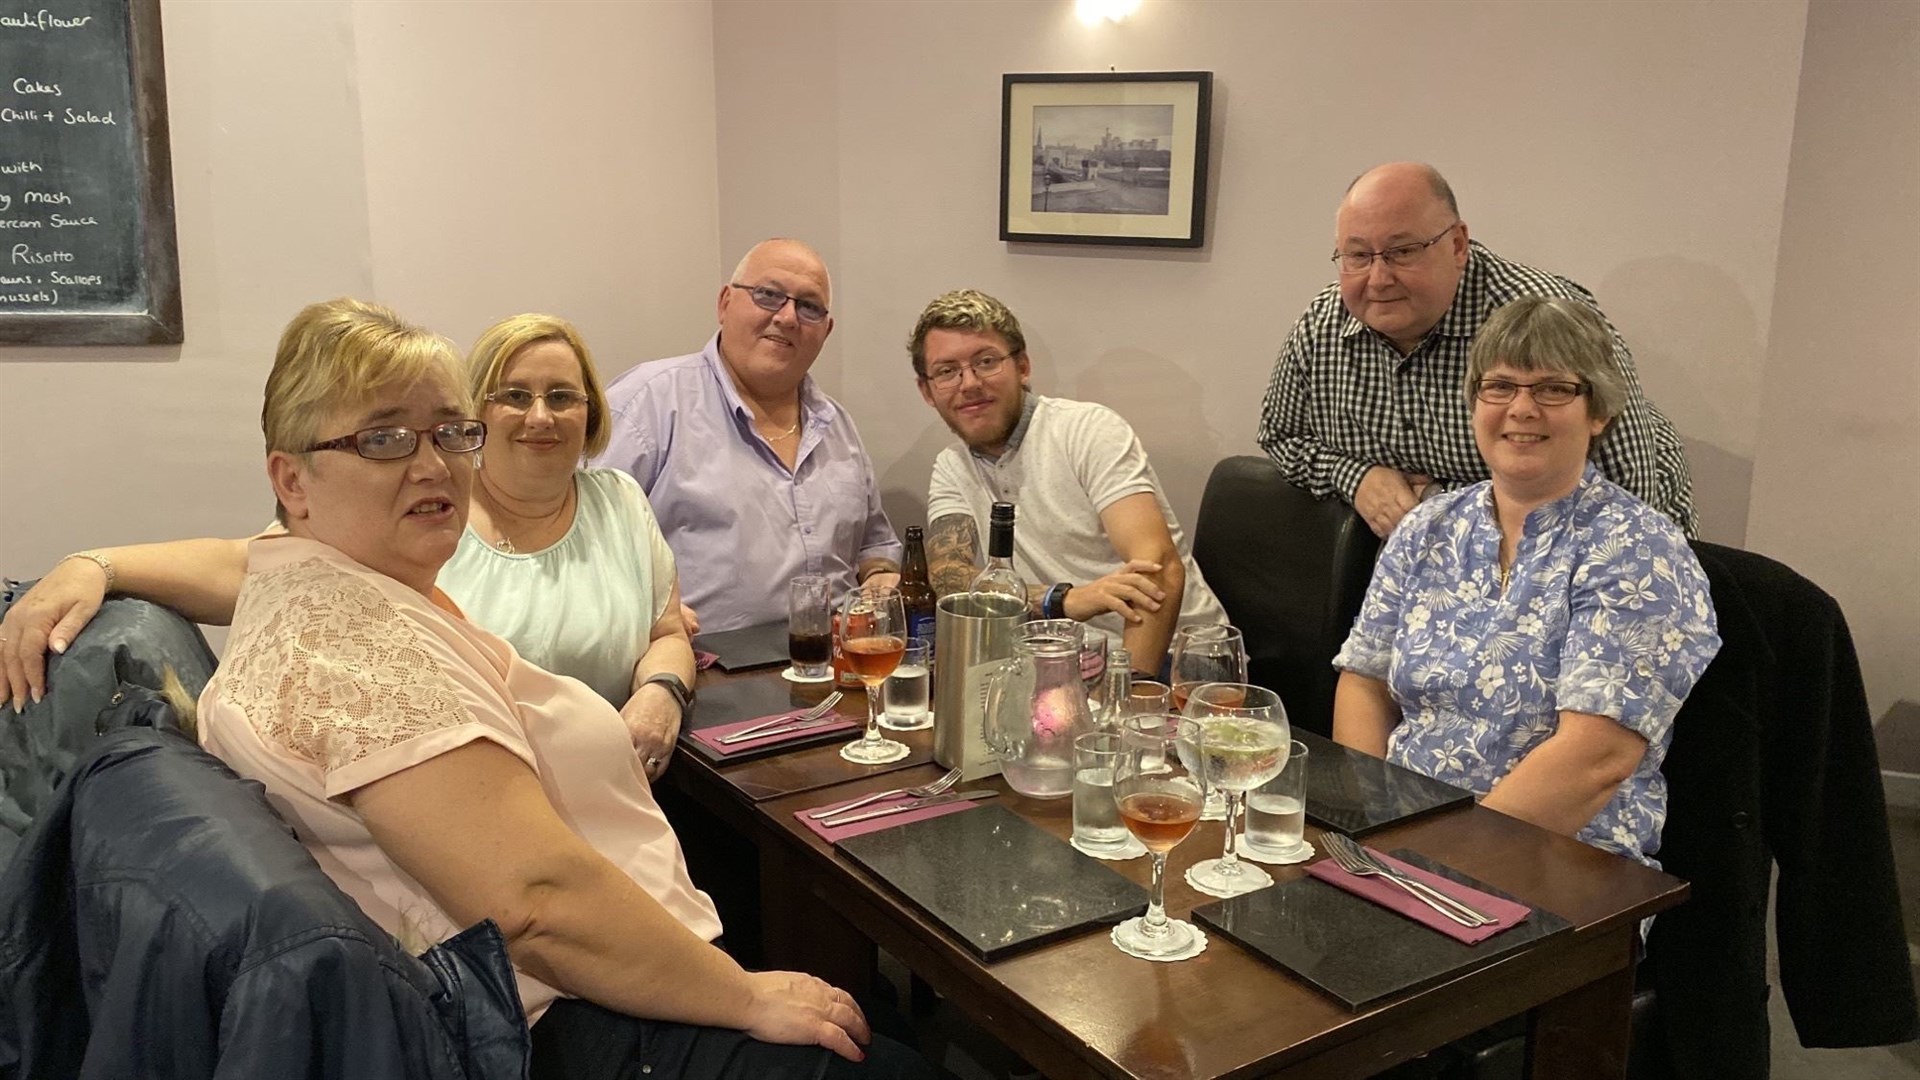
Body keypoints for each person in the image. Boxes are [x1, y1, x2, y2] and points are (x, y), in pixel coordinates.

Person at [192, 298, 927, 1078]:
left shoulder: (346, 582)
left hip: (605, 917)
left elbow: (664, 632)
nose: (433, 464)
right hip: (541, 1015)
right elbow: (537, 906)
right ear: (291, 481)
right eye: (383, 438)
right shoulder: (361, 650)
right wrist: (744, 998)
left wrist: (660, 691)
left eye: (448, 431)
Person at [0, 315, 692, 784]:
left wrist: (661, 692)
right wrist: (95, 563)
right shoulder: (425, 515)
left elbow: (668, 630)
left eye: (562, 397)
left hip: (634, 786)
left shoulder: (619, 501)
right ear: (477, 415)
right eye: (515, 396)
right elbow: (254, 566)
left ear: (592, 413)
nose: (541, 416)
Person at [1330, 295, 1720, 867]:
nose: (1522, 408)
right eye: (1500, 386)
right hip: (1400, 845)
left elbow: (1595, 761)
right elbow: (1364, 681)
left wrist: (1433, 862)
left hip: (1562, 858)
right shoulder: (1429, 526)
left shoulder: (1637, 549)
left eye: (1554, 389)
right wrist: (1366, 833)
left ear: (1599, 412)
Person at [1257, 161, 1698, 540]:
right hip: (1419, 571)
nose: (1377, 278)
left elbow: (1631, 496)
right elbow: (1282, 437)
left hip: (1580, 564)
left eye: (1403, 251)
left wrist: (1436, 501)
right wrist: (1356, 477)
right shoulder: (1322, 325)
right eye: (1357, 255)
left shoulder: (1541, 317)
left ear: (1458, 245)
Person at [909, 289, 1226, 675]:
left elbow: (1158, 569)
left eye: (986, 362)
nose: (969, 383)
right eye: (947, 371)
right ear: (927, 391)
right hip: (1058, 659)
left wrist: (1126, 696)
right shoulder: (951, 467)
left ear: (1023, 367)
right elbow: (947, 578)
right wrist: (1061, 601)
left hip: (1177, 658)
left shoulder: (1088, 430)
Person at [593, 239, 900, 633]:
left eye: (808, 307)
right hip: (702, 671)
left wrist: (879, 580)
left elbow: (874, 547)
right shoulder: (645, 405)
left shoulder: (838, 426)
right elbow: (581, 550)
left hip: (836, 665)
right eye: (768, 295)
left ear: (826, 330)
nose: (788, 318)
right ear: (724, 303)